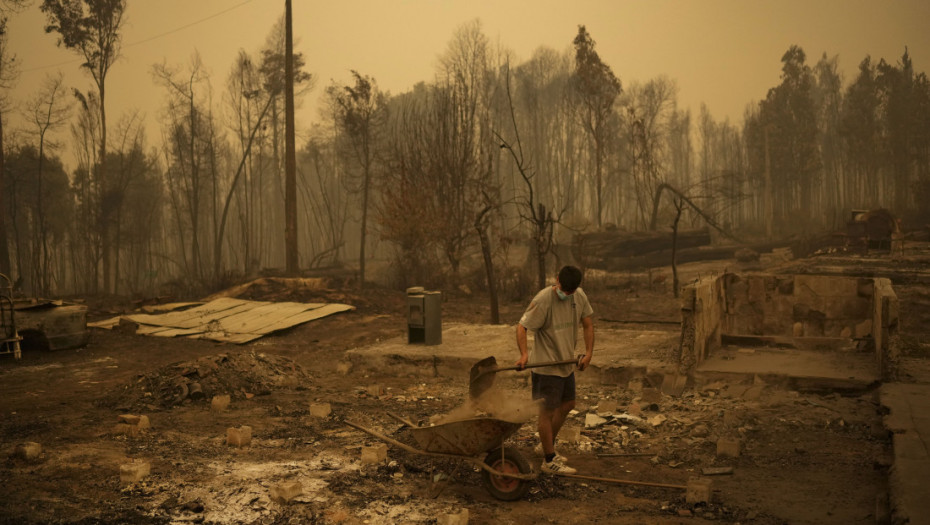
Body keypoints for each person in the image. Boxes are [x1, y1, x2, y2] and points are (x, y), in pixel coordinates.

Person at [516, 265, 594, 474]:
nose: (565, 294)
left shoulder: (579, 296)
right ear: (557, 279)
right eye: (563, 289)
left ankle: (545, 444)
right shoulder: (543, 300)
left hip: (566, 364)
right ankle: (549, 461)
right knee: (546, 413)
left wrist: (588, 353)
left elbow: (587, 324)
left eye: (569, 291)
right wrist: (524, 355)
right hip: (546, 367)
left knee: (568, 404)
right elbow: (522, 327)